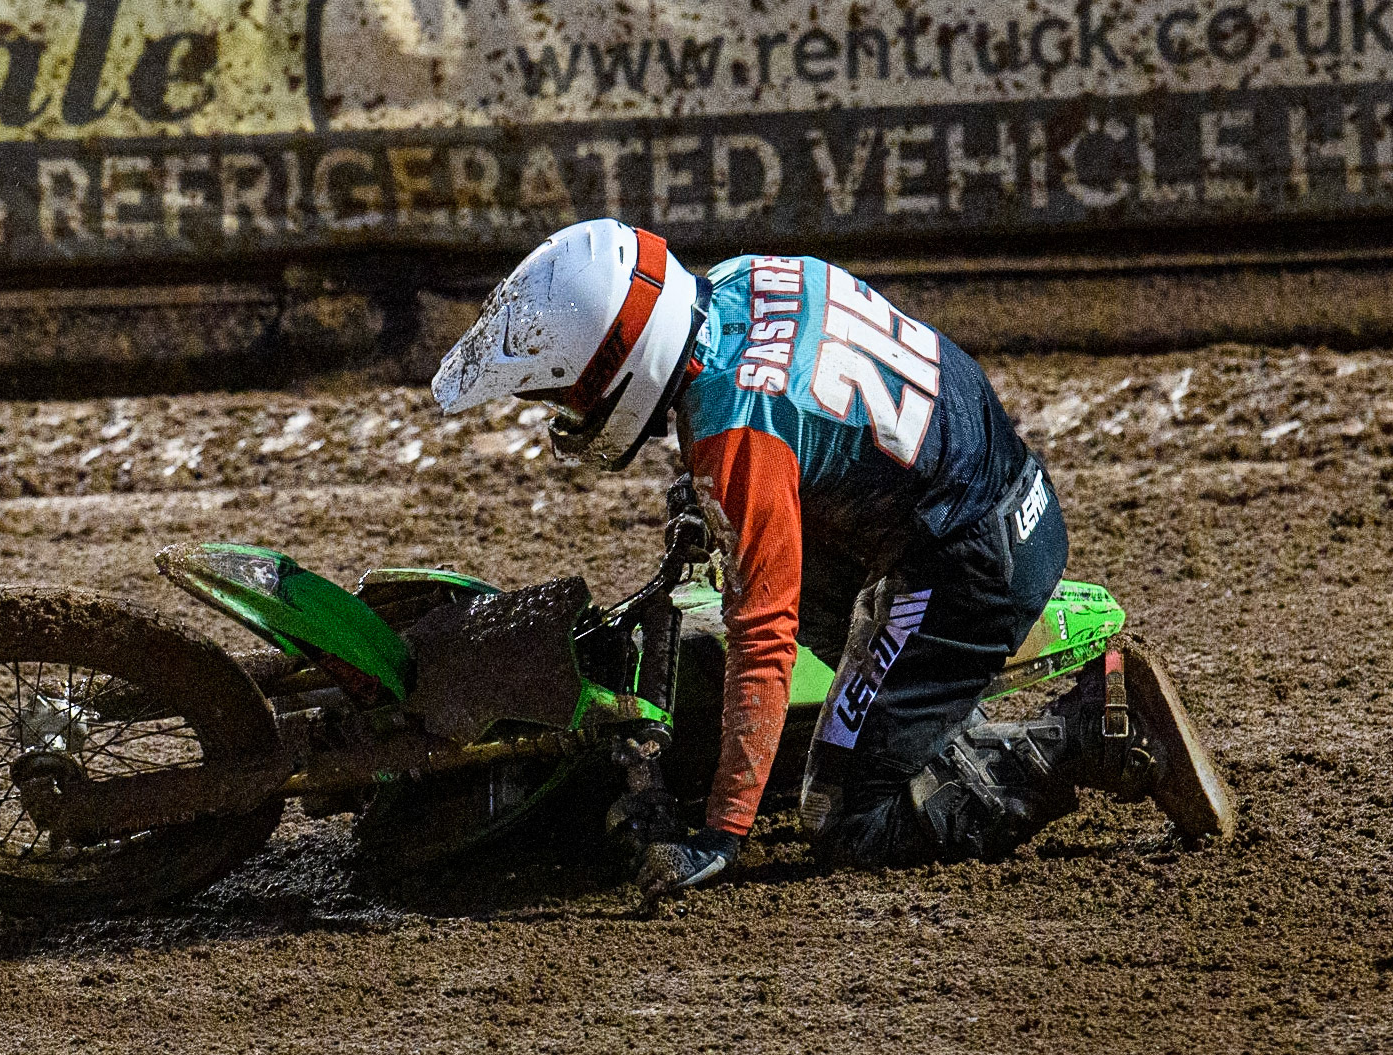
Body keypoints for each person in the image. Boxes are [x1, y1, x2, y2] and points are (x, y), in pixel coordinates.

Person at [431, 219, 1234, 896]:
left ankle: (1090, 731)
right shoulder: (743, 277)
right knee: (766, 579)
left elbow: (764, 639)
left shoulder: (735, 433)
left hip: (964, 560)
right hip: (979, 489)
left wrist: (722, 833)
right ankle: (916, 718)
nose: (564, 410)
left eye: (566, 391)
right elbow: (809, 416)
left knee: (846, 821)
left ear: (619, 363)